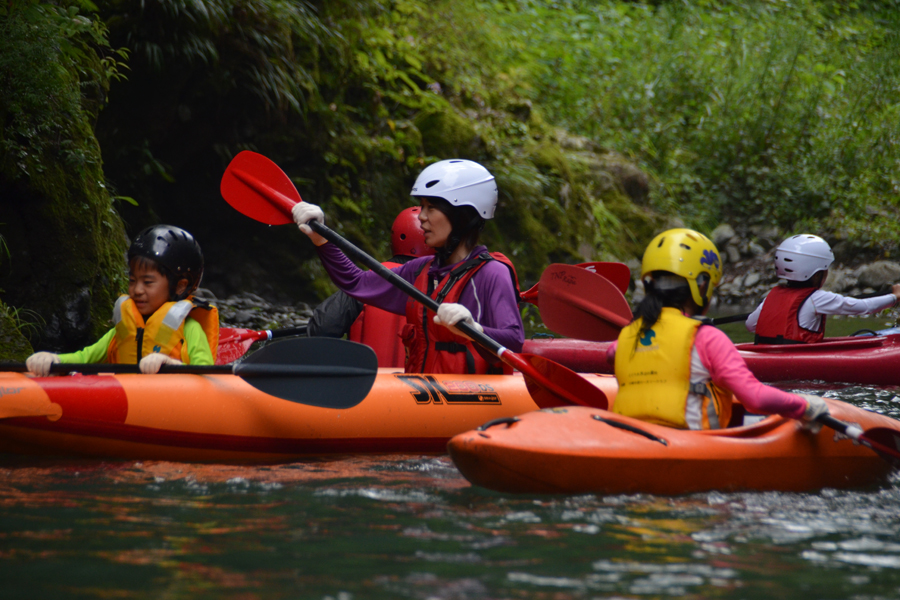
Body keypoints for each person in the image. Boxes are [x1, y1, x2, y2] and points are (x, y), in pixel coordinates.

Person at [292, 159, 523, 375]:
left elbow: (514, 341)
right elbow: (356, 283)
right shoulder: (420, 270)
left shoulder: (492, 274)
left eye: (431, 207)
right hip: (421, 398)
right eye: (421, 206)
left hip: (473, 403)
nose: (421, 217)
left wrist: (476, 330)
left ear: (462, 215)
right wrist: (322, 239)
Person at [608, 228, 828, 430]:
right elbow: (755, 398)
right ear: (702, 285)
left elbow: (612, 355)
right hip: (689, 447)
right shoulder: (706, 338)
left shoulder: (624, 339)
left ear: (648, 284)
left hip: (631, 438)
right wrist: (804, 406)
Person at [26, 225, 218, 375]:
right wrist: (54, 360)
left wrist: (172, 365)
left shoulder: (190, 329)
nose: (137, 290)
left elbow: (206, 372)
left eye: (148, 282)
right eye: (132, 281)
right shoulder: (123, 328)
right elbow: (84, 357)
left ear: (180, 286)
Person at [307, 206, 436, 368]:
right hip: (421, 390)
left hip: (367, 387)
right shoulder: (446, 284)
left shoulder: (368, 283)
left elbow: (320, 329)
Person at [746, 234, 900, 344]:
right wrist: (894, 297)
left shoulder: (771, 297)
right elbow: (864, 307)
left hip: (770, 356)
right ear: (816, 274)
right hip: (796, 361)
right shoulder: (817, 298)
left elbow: (750, 325)